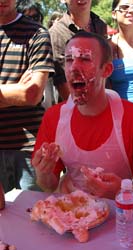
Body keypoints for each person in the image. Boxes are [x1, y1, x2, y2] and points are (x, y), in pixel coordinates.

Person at [32, 31, 133, 202]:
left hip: (119, 217)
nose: (74, 68)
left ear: (107, 70)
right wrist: (43, 173)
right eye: (69, 60)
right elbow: (49, 185)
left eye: (85, 59)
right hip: (69, 215)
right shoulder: (54, 117)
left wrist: (124, 193)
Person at [0, 0, 54, 193]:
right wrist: (17, 90)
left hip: (29, 149)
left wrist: (24, 91)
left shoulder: (37, 34)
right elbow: (24, 93)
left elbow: (31, 94)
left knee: (34, 215)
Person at [49, 0, 109, 102]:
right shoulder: (57, 33)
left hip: (102, 102)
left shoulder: (100, 25)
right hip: (76, 107)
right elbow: (62, 81)